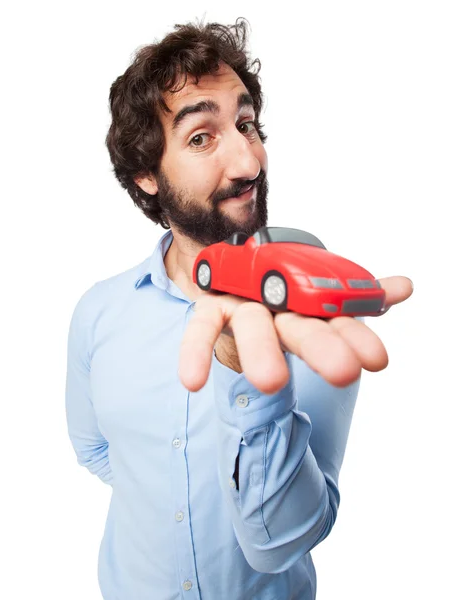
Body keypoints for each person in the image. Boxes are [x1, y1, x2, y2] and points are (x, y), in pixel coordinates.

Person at [65, 17, 413, 600]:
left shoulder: (303, 305)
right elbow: (94, 449)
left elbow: (284, 541)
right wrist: (169, 499)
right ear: (147, 175)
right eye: (201, 136)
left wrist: (242, 374)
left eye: (246, 125)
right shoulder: (98, 312)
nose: (249, 162)